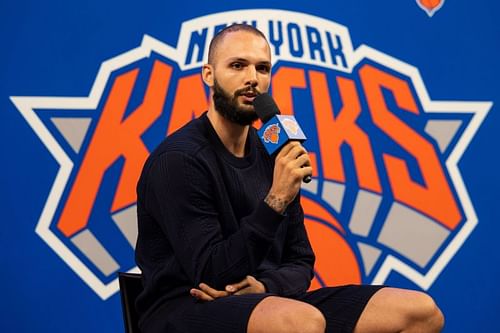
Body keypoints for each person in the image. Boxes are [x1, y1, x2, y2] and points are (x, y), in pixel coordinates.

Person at [135, 23, 445, 333]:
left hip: (268, 301)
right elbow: (212, 273)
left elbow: (301, 261)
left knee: (420, 312)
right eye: (237, 66)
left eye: (263, 68)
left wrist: (266, 287)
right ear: (208, 75)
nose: (252, 79)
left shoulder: (276, 151)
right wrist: (276, 200)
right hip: (187, 306)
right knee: (301, 323)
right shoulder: (179, 160)